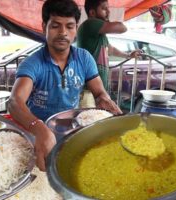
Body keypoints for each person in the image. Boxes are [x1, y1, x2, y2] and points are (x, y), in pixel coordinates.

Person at [8, 0, 122, 171]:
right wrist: (39, 129)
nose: (63, 33)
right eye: (55, 26)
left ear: (76, 28)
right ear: (44, 26)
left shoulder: (84, 58)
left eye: (69, 26)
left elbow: (99, 93)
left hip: (70, 133)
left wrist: (105, 101)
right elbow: (15, 102)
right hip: (37, 136)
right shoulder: (33, 63)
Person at [77, 0, 142, 90]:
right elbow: (122, 28)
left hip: (97, 88)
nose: (108, 12)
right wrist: (108, 21)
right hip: (89, 89)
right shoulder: (90, 24)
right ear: (92, 12)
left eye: (108, 8)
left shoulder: (99, 35)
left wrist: (128, 55)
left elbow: (110, 50)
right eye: (104, 8)